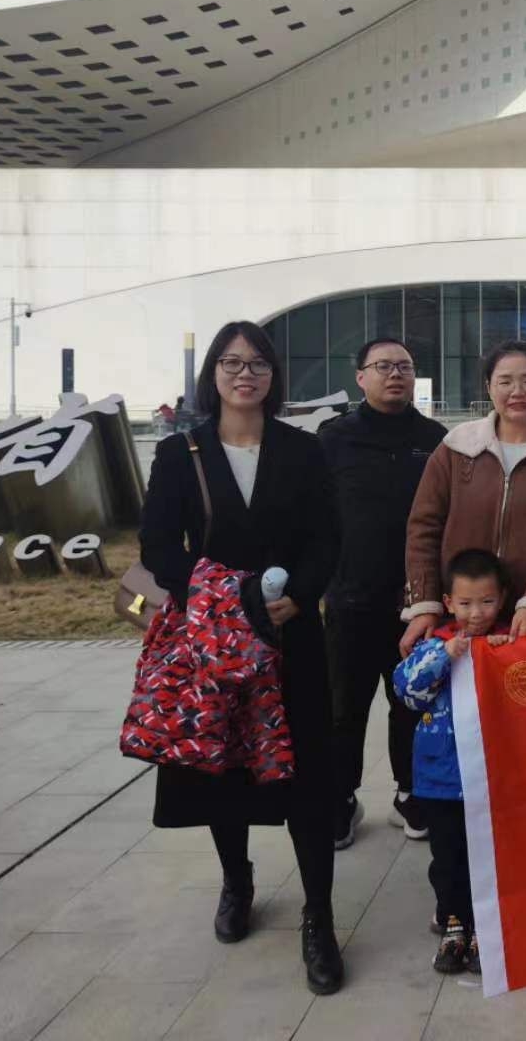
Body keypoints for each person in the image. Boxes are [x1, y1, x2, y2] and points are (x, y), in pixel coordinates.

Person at [137, 320, 345, 995]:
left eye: (257, 363)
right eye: (231, 362)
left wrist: (300, 595)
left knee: (309, 780)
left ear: (273, 375)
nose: (244, 374)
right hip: (214, 642)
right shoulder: (181, 452)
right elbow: (157, 548)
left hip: (291, 637)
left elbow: (327, 538)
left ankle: (319, 917)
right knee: (221, 767)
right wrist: (222, 596)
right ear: (213, 375)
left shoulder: (302, 449)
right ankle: (237, 879)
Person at [318, 336, 446, 850]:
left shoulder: (435, 439)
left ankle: (409, 793)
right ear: (360, 377)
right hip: (350, 599)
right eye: (383, 366)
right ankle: (340, 798)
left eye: (405, 366)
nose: (396, 374)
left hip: (415, 603)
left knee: (411, 701)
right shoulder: (334, 438)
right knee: (343, 707)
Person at [401, 340, 526, 653]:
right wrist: (425, 604)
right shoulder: (457, 447)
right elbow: (424, 526)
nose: (517, 391)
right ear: (489, 387)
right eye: (505, 382)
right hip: (459, 616)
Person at [393, 548, 512, 976]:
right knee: (447, 857)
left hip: (492, 780)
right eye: (465, 603)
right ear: (448, 603)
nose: (476, 613)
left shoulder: (511, 643)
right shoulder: (435, 644)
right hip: (440, 779)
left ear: (502, 599)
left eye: (487, 602)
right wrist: (446, 654)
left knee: (490, 855)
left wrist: (507, 655)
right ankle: (453, 923)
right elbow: (406, 690)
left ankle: (483, 926)